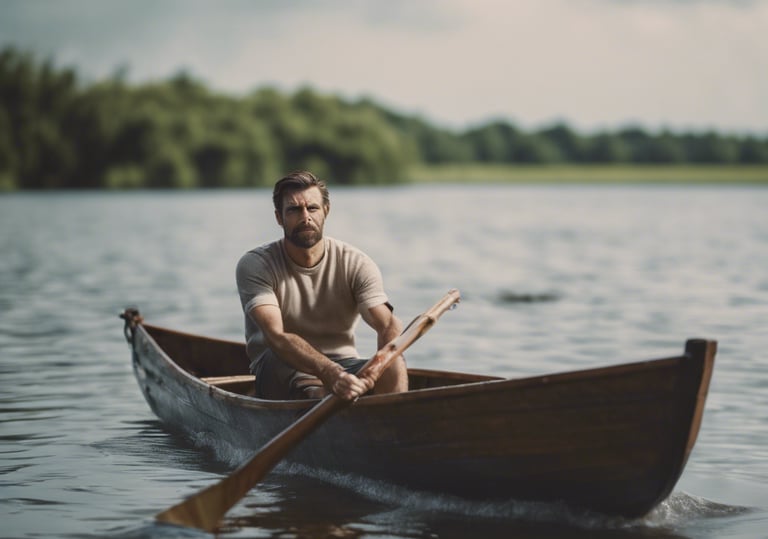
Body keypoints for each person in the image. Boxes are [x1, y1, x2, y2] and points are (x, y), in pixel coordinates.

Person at [236, 170, 407, 401]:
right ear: (279, 217)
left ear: (326, 211)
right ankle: (320, 399)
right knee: (295, 372)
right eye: (294, 210)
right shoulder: (256, 265)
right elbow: (276, 336)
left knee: (395, 361)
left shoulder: (356, 262)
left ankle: (389, 419)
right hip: (279, 366)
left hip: (343, 364)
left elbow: (387, 324)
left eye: (312, 208)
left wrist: (381, 363)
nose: (305, 217)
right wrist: (329, 373)